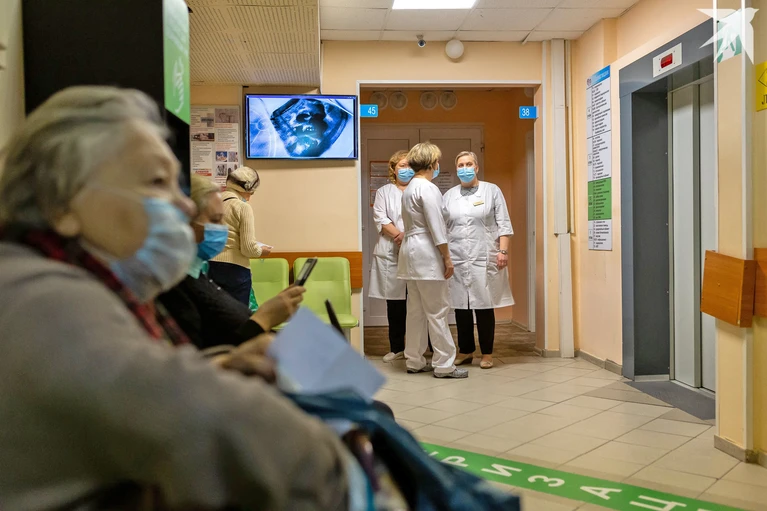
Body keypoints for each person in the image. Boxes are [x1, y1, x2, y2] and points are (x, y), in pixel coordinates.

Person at [0, 86, 352, 510]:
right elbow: (238, 433)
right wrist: (356, 458)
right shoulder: (45, 300)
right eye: (156, 182)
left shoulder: (70, 282)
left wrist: (220, 365)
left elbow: (125, 398)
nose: (185, 208)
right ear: (61, 204)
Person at [158, 173, 304, 350]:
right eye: (215, 220)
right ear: (184, 224)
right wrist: (264, 318)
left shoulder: (199, 275)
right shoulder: (175, 288)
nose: (223, 228)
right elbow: (203, 355)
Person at [397, 142, 467, 379]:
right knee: (437, 311)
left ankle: (414, 360)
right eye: (437, 161)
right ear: (431, 163)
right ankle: (444, 364)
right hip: (426, 253)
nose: (438, 165)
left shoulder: (409, 188)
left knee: (415, 311)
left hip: (410, 253)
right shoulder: (428, 188)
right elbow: (436, 227)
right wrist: (447, 257)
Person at [443, 151, 514, 370]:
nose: (464, 168)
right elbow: (443, 227)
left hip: (484, 256)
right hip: (457, 256)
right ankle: (465, 350)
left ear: (476, 167)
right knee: (461, 306)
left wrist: (503, 251)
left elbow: (504, 223)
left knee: (484, 305)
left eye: (468, 164)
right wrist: (444, 256)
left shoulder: (492, 190)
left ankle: (487, 353)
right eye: (460, 165)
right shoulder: (449, 195)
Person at [369, 150, 410, 362]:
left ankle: (424, 347)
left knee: (420, 303)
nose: (406, 169)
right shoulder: (384, 192)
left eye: (409, 165)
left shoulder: (421, 189)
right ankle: (397, 348)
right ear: (393, 169)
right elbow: (381, 218)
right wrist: (400, 236)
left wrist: (409, 237)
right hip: (391, 251)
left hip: (417, 251)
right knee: (395, 304)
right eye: (402, 165)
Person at [208, 166, 271, 306]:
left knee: (216, 313)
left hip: (211, 267)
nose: (250, 197)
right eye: (251, 192)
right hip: (235, 271)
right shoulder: (242, 207)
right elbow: (248, 248)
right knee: (238, 316)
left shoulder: (212, 204)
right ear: (247, 189)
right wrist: (262, 251)